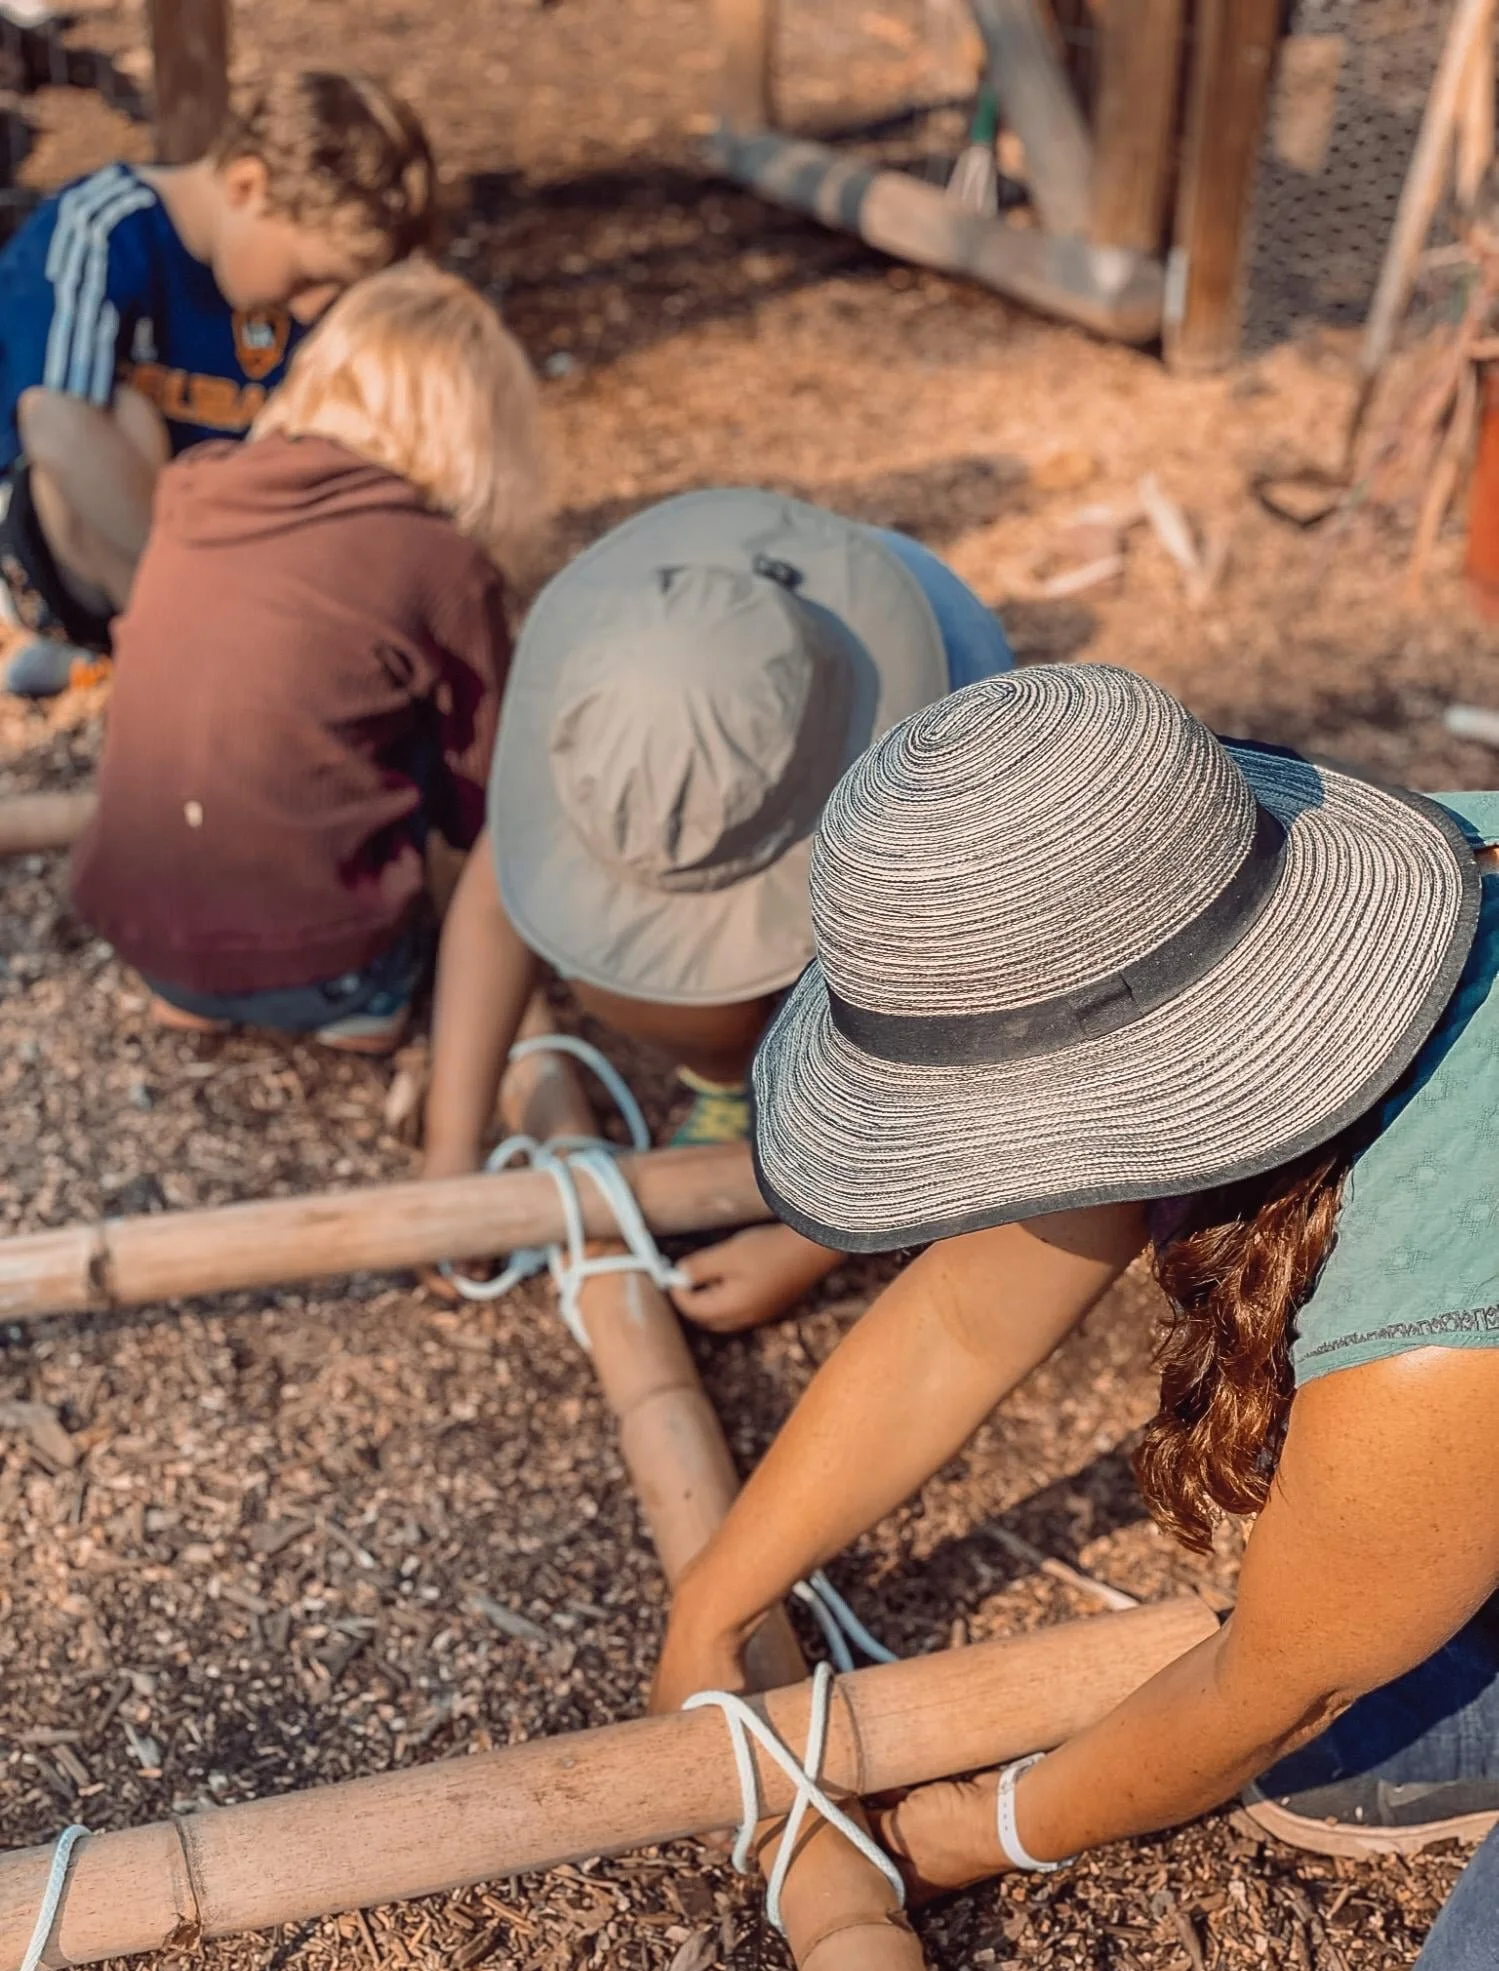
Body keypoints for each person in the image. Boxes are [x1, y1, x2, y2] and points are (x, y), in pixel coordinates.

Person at [649, 663, 1499, 1971]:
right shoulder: (1261, 899)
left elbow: (1271, 1689)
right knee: (1377, 1674)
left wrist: (959, 1827)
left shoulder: (1445, 1300)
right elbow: (962, 1318)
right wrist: (712, 1600)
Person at [421, 488, 1015, 1331]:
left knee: (875, 999)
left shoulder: (953, 783)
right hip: (797, 749)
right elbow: (492, 896)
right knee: (630, 981)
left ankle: (768, 1070)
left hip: (931, 820)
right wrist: (450, 1148)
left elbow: (983, 1043)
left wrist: (809, 1245)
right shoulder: (626, 696)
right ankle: (737, 1068)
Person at [69, 261, 543, 1055]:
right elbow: (483, 789)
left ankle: (196, 994)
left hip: (140, 928)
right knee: (439, 714)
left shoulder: (197, 488)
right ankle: (361, 1005)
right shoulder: (437, 561)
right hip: (322, 962)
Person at [0, 68, 436, 695]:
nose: (314, 308)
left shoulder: (304, 300)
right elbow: (53, 423)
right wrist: (200, 588)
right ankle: (168, 657)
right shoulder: (105, 229)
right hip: (95, 558)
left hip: (248, 562)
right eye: (306, 277)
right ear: (246, 186)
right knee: (111, 415)